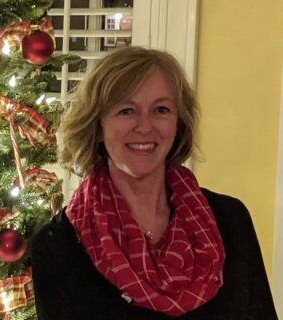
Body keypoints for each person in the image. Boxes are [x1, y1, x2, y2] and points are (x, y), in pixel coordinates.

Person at [31, 46, 278, 320]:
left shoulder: (230, 220)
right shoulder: (58, 246)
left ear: (178, 123)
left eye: (161, 109)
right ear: (97, 126)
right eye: (126, 111)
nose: (145, 126)